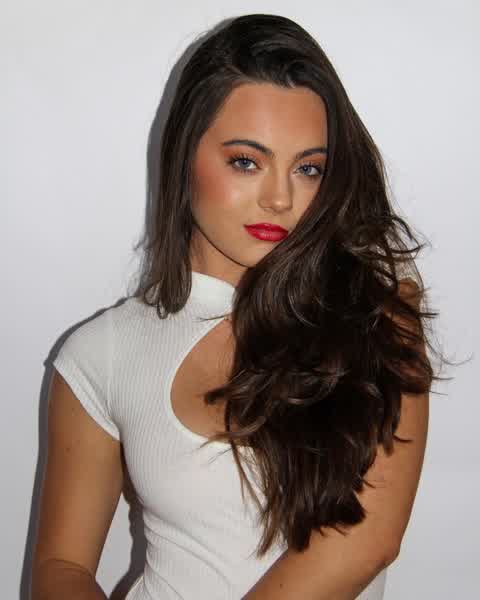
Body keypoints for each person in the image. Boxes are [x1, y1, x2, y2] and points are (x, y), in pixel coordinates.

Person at [31, 13, 439, 600]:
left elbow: (367, 541)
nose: (279, 197)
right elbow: (62, 565)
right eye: (246, 161)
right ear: (184, 155)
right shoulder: (104, 351)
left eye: (308, 169)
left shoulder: (376, 314)